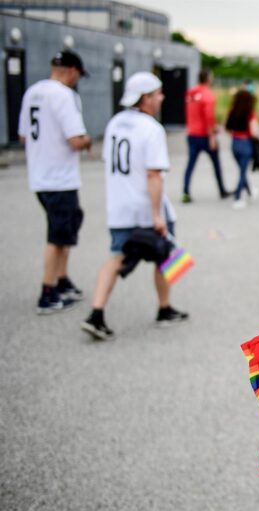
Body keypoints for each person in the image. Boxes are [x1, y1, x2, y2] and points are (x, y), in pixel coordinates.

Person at [81, 72, 188, 340]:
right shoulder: (151, 129)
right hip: (145, 207)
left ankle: (96, 312)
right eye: (158, 93)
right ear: (146, 98)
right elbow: (153, 174)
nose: (162, 97)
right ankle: (164, 308)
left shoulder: (115, 123)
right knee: (166, 255)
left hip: (119, 207)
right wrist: (156, 215)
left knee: (116, 256)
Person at [18, 50, 92, 314]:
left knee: (65, 227)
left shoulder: (33, 92)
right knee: (57, 235)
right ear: (72, 70)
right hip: (60, 177)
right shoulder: (64, 95)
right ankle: (47, 291)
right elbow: (75, 139)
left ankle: (62, 279)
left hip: (39, 175)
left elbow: (23, 137)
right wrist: (87, 141)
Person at [181, 69, 230, 203]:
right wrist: (212, 136)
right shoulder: (207, 95)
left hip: (192, 134)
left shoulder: (191, 93)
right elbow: (209, 117)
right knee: (216, 164)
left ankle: (185, 191)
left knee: (190, 164)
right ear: (208, 78)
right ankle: (222, 190)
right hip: (204, 135)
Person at [225, 89, 259, 209]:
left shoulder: (233, 111)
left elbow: (227, 128)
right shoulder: (250, 112)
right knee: (243, 172)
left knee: (242, 170)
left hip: (235, 143)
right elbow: (254, 132)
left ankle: (250, 191)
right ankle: (238, 197)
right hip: (245, 143)